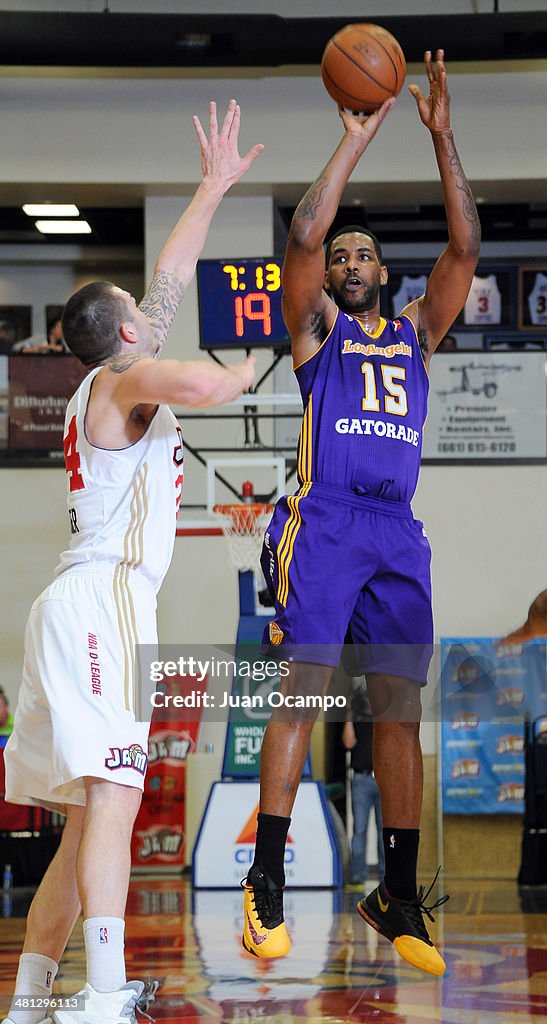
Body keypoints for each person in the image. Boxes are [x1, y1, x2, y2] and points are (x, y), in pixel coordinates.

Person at [4, 99, 262, 1024]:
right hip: (105, 598)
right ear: (121, 337)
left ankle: (31, 999)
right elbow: (193, 374)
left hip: (69, 602)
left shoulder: (96, 384)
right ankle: (105, 992)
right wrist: (253, 366)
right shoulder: (125, 380)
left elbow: (168, 279)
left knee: (86, 821)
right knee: (118, 795)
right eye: (138, 318)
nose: (151, 316)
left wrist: (213, 187)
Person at [242, 50, 480, 977]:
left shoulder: (418, 331)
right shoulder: (315, 336)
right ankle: (266, 883)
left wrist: (440, 134)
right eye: (339, 255)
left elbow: (464, 246)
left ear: (383, 272)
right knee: (303, 691)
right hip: (326, 517)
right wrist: (355, 138)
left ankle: (396, 891)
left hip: (396, 531)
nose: (343, 260)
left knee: (397, 708)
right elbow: (301, 234)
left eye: (358, 254)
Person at [342, 680, 384, 887]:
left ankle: (387, 876)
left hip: (383, 779)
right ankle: (358, 874)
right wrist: (349, 714)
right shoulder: (356, 718)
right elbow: (348, 743)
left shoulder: (385, 717)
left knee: (385, 830)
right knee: (359, 830)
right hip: (361, 779)